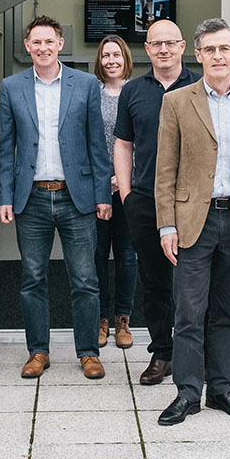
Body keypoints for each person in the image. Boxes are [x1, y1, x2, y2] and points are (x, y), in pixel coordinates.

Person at [154, 18, 230, 426]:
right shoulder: (176, 102)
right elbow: (165, 170)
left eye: (224, 48)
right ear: (198, 54)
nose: (218, 56)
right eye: (209, 49)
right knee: (189, 312)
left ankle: (222, 389)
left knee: (226, 312)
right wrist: (166, 225)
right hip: (194, 221)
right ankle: (188, 393)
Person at [0, 15, 112, 381]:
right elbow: (5, 148)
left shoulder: (86, 84)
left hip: (75, 197)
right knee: (32, 279)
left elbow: (97, 144)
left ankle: (88, 353)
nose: (43, 48)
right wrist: (4, 196)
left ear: (60, 44)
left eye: (49, 41)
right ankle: (38, 351)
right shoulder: (11, 86)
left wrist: (101, 193)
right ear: (27, 46)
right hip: (30, 198)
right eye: (36, 42)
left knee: (85, 280)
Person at [112, 19, 200, 384]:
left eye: (170, 43)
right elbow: (123, 144)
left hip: (194, 201)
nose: (163, 49)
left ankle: (196, 355)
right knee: (155, 282)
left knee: (194, 281)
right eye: (155, 44)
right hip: (146, 200)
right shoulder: (133, 91)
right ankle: (162, 353)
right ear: (146, 50)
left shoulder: (200, 84)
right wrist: (129, 195)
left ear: (182, 47)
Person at [93, 35, 137, 349]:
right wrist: (103, 179)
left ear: (125, 58)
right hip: (96, 188)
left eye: (117, 55)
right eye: (106, 55)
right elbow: (86, 142)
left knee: (126, 255)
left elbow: (145, 140)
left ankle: (124, 319)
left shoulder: (137, 91)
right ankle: (100, 318)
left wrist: (122, 179)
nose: (111, 60)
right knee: (96, 255)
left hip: (129, 188)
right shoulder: (90, 93)